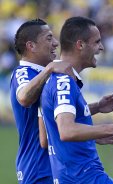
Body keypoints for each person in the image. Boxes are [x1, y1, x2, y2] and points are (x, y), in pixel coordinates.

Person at [40, 16, 113, 184]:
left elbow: (49, 133)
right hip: (83, 177)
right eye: (97, 42)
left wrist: (96, 108)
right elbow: (66, 130)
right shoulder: (64, 81)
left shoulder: (61, 79)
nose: (101, 47)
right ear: (80, 45)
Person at [10, 18, 75, 184]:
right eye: (49, 38)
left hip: (53, 165)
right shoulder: (23, 72)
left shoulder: (44, 74)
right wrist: (50, 69)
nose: (55, 43)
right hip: (37, 167)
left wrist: (97, 107)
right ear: (31, 46)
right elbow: (24, 97)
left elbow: (59, 115)